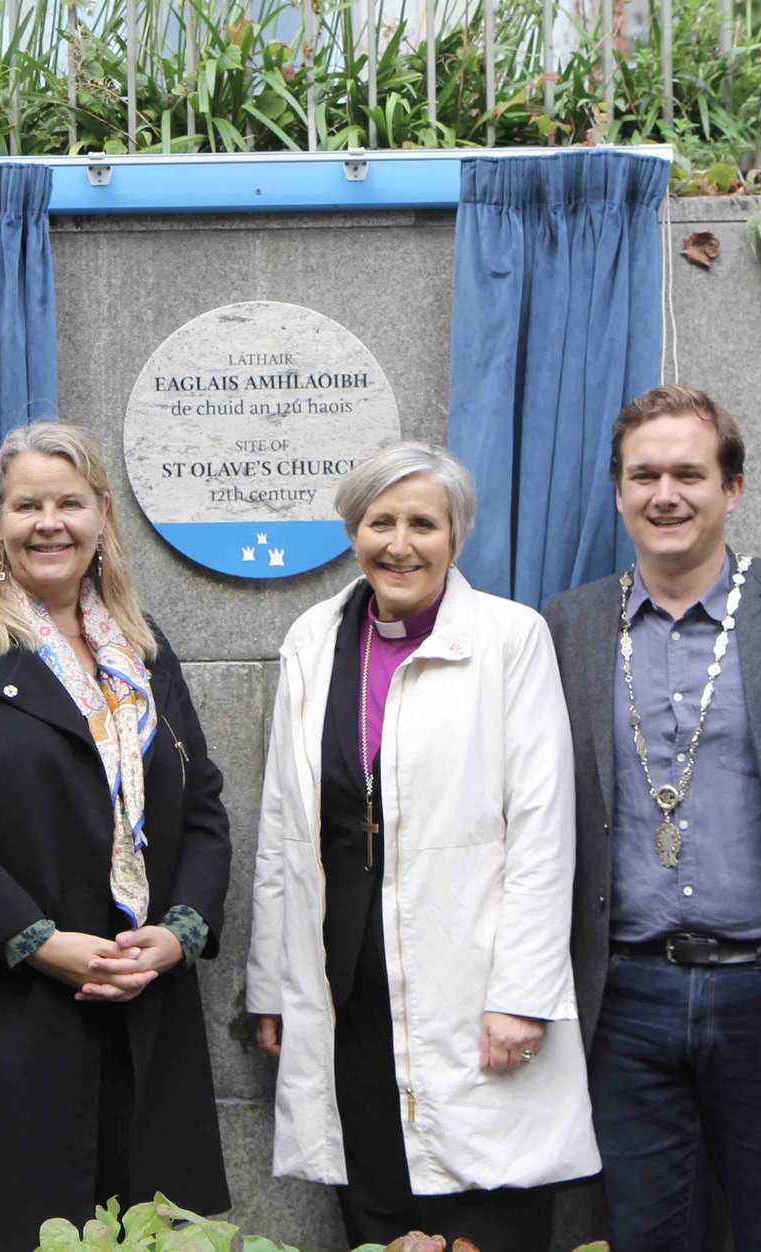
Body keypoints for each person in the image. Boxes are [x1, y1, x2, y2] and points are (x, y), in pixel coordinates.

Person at [543, 385, 761, 1252]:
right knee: (644, 1236)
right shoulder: (568, 626)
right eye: (644, 474)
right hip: (625, 999)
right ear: (618, 492)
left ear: (732, 488)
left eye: (690, 473)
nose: (667, 493)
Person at [0, 421, 231, 1249]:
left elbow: (205, 808)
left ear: (102, 515)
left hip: (143, 998)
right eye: (27, 504)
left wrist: (178, 937)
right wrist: (40, 941)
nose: (51, 523)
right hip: (13, 1010)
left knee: (145, 1227)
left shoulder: (141, 650)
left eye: (70, 503)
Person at [246, 442, 599, 1252]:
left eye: (422, 524)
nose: (399, 543)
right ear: (352, 532)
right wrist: (272, 983)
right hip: (349, 981)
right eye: (380, 522)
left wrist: (522, 993)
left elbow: (545, 831)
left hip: (471, 973)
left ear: (456, 536)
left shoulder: (510, 639)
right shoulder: (315, 639)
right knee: (377, 1204)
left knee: (486, 1201)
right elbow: (284, 830)